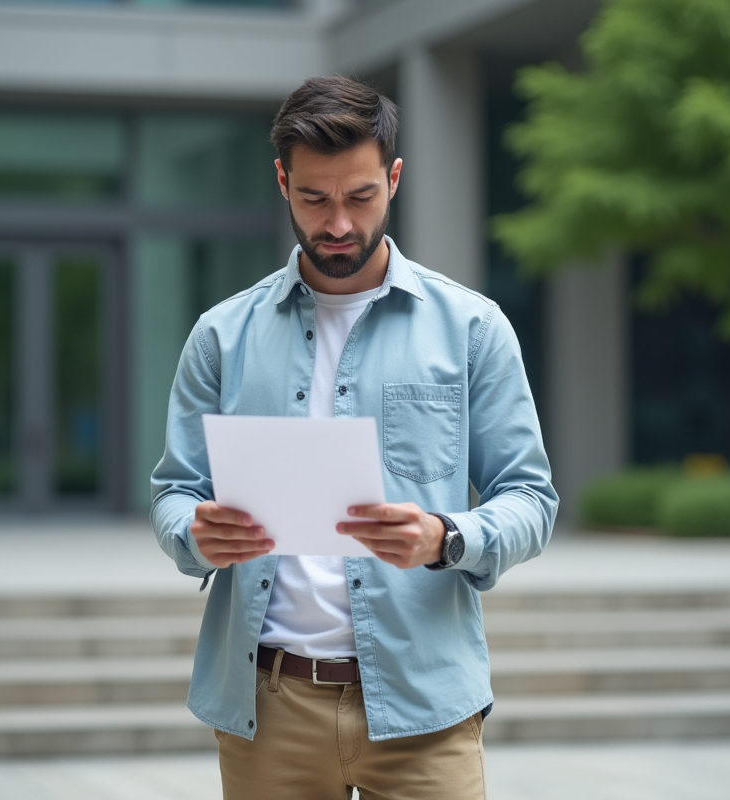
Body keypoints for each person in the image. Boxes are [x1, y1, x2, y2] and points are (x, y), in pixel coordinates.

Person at [151, 74, 558, 800]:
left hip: (424, 706)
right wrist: (195, 533)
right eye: (314, 198)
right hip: (269, 709)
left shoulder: (472, 329)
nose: (337, 223)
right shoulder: (221, 336)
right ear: (282, 181)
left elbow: (530, 497)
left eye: (360, 196)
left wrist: (446, 537)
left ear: (394, 178)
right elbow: (175, 493)